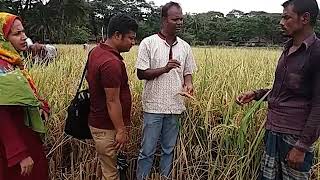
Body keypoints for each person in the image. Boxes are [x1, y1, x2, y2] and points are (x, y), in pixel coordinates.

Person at [236, 0, 320, 179]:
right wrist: (256, 94)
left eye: (286, 17)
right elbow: (284, 91)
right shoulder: (288, 49)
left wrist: (301, 147)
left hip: (294, 137)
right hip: (273, 130)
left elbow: (319, 106)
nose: (281, 22)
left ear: (305, 18)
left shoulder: (317, 53)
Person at [135, 2, 197, 179]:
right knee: (147, 151)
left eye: (181, 19)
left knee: (168, 150)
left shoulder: (185, 46)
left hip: (175, 107)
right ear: (164, 19)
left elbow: (188, 73)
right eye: (175, 19)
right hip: (153, 107)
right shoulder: (148, 43)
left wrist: (189, 84)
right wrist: (165, 68)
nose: (179, 22)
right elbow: (141, 73)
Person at [86, 13, 138, 180]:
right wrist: (121, 130)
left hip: (99, 123)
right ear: (117, 35)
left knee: (107, 169)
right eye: (130, 38)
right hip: (107, 128)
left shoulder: (96, 51)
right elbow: (112, 101)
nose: (133, 42)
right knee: (111, 174)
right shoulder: (111, 63)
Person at [0, 12, 50, 180]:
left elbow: (22, 96)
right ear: (3, 39)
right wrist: (19, 154)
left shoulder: (13, 64)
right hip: (11, 146)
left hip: (25, 136)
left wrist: (39, 105)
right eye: (16, 34)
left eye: (23, 32)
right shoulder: (2, 68)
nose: (24, 37)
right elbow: (1, 113)